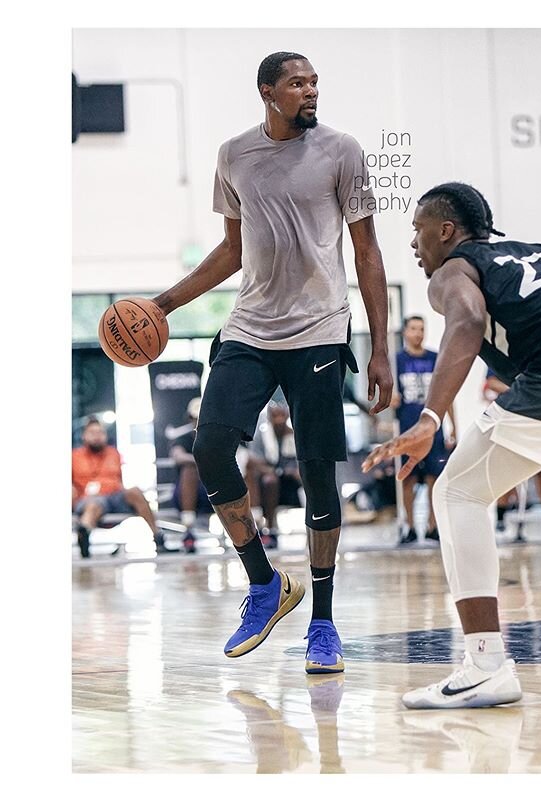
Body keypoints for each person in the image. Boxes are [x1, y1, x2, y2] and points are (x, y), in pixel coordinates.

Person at [151, 52, 393, 674]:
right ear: (267, 92)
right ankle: (266, 584)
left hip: (319, 329)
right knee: (209, 449)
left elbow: (366, 251)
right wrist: (164, 303)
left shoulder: (343, 150)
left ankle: (324, 622)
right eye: (297, 82)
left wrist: (380, 347)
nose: (311, 90)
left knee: (318, 478)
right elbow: (232, 249)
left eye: (314, 81)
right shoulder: (235, 154)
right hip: (250, 328)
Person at [363, 182, 541, 708]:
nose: (414, 242)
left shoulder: (454, 269)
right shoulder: (539, 253)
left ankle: (484, 663)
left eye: (418, 229)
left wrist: (430, 416)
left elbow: (469, 322)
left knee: (456, 494)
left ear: (447, 231)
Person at [392, 315, 457, 544]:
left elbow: (447, 395)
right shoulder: (396, 360)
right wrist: (390, 400)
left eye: (422, 328)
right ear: (405, 332)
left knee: (434, 477)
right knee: (407, 478)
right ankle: (408, 526)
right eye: (413, 328)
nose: (418, 333)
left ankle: (432, 526)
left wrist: (453, 427)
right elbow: (387, 397)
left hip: (433, 427)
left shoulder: (435, 358)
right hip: (407, 428)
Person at [72, 417, 169, 558]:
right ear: (84, 435)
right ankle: (84, 533)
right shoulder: (74, 456)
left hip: (114, 495)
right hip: (88, 498)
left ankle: (157, 536)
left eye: (100, 432)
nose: (97, 436)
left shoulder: (113, 453)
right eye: (92, 433)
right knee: (94, 505)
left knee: (135, 491)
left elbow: (119, 480)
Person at [483, 370, 541, 538]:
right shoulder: (504, 354)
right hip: (510, 420)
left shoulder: (540, 356)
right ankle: (500, 522)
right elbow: (490, 383)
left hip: (536, 420)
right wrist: (521, 391)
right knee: (506, 474)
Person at [244, 401, 303, 549]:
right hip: (265, 480)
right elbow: (252, 460)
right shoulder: (261, 435)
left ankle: (318, 522)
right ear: (269, 417)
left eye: (282, 415)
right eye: (275, 416)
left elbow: (297, 463)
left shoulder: (293, 435)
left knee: (307, 478)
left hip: (289, 482)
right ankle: (267, 527)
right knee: (269, 480)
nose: (279, 420)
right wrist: (271, 470)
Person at [167, 397, 211, 553]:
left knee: (247, 468)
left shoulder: (219, 438)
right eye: (196, 417)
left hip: (216, 490)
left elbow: (241, 457)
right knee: (189, 470)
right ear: (190, 418)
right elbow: (178, 456)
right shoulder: (183, 439)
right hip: (186, 494)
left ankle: (257, 528)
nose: (199, 421)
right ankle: (189, 531)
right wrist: (204, 462)